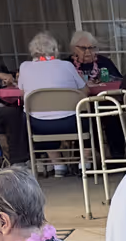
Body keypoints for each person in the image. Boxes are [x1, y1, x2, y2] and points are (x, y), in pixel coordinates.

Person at [16, 31, 85, 169]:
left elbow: (22, 91)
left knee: (35, 114)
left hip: (38, 125)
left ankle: (58, 165)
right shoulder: (66, 65)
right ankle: (85, 162)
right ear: (55, 49)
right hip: (72, 123)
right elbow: (84, 91)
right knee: (89, 113)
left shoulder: (24, 67)